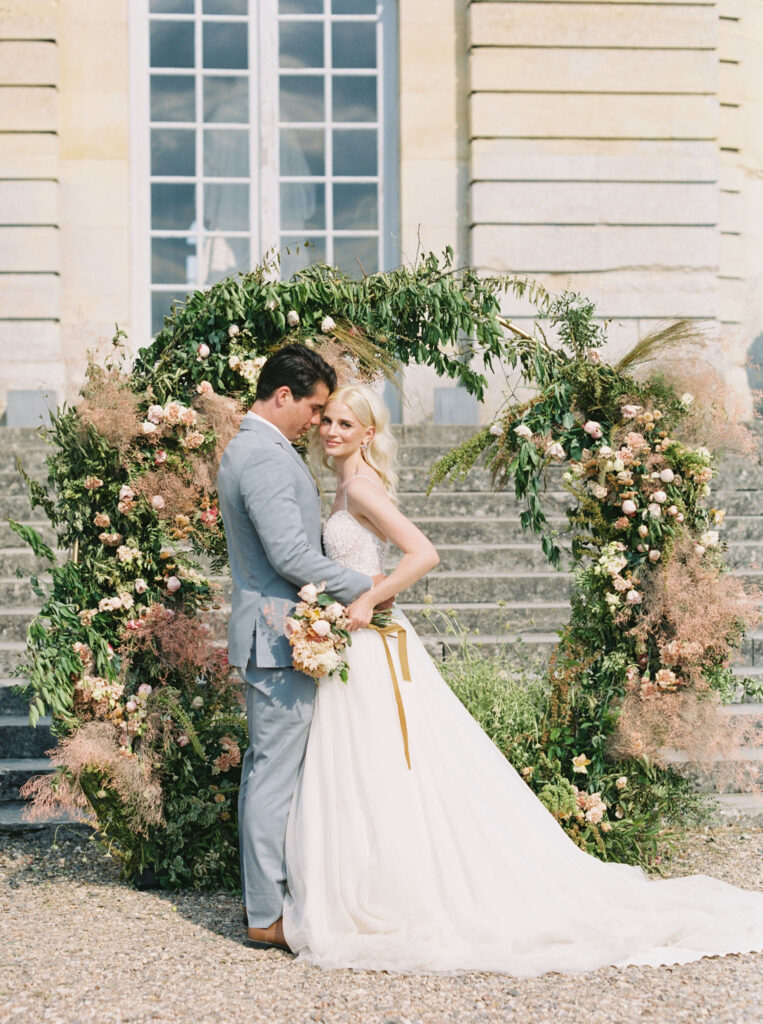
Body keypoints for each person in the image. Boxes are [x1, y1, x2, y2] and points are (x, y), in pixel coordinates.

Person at [281, 382, 763, 975]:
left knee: (388, 763)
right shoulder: (345, 486)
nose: (331, 431)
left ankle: (399, 887)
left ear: (369, 433)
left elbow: (423, 553)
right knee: (374, 766)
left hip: (372, 635)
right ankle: (375, 876)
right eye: (326, 420)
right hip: (359, 641)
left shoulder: (357, 486)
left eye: (345, 425)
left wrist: (365, 601)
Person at [217, 346, 385, 950]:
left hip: (279, 631)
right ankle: (264, 915)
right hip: (276, 634)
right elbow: (289, 556)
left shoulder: (260, 448)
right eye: (315, 408)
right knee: (272, 778)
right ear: (283, 396)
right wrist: (368, 586)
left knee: (272, 774)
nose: (318, 421)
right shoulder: (261, 456)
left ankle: (277, 899)